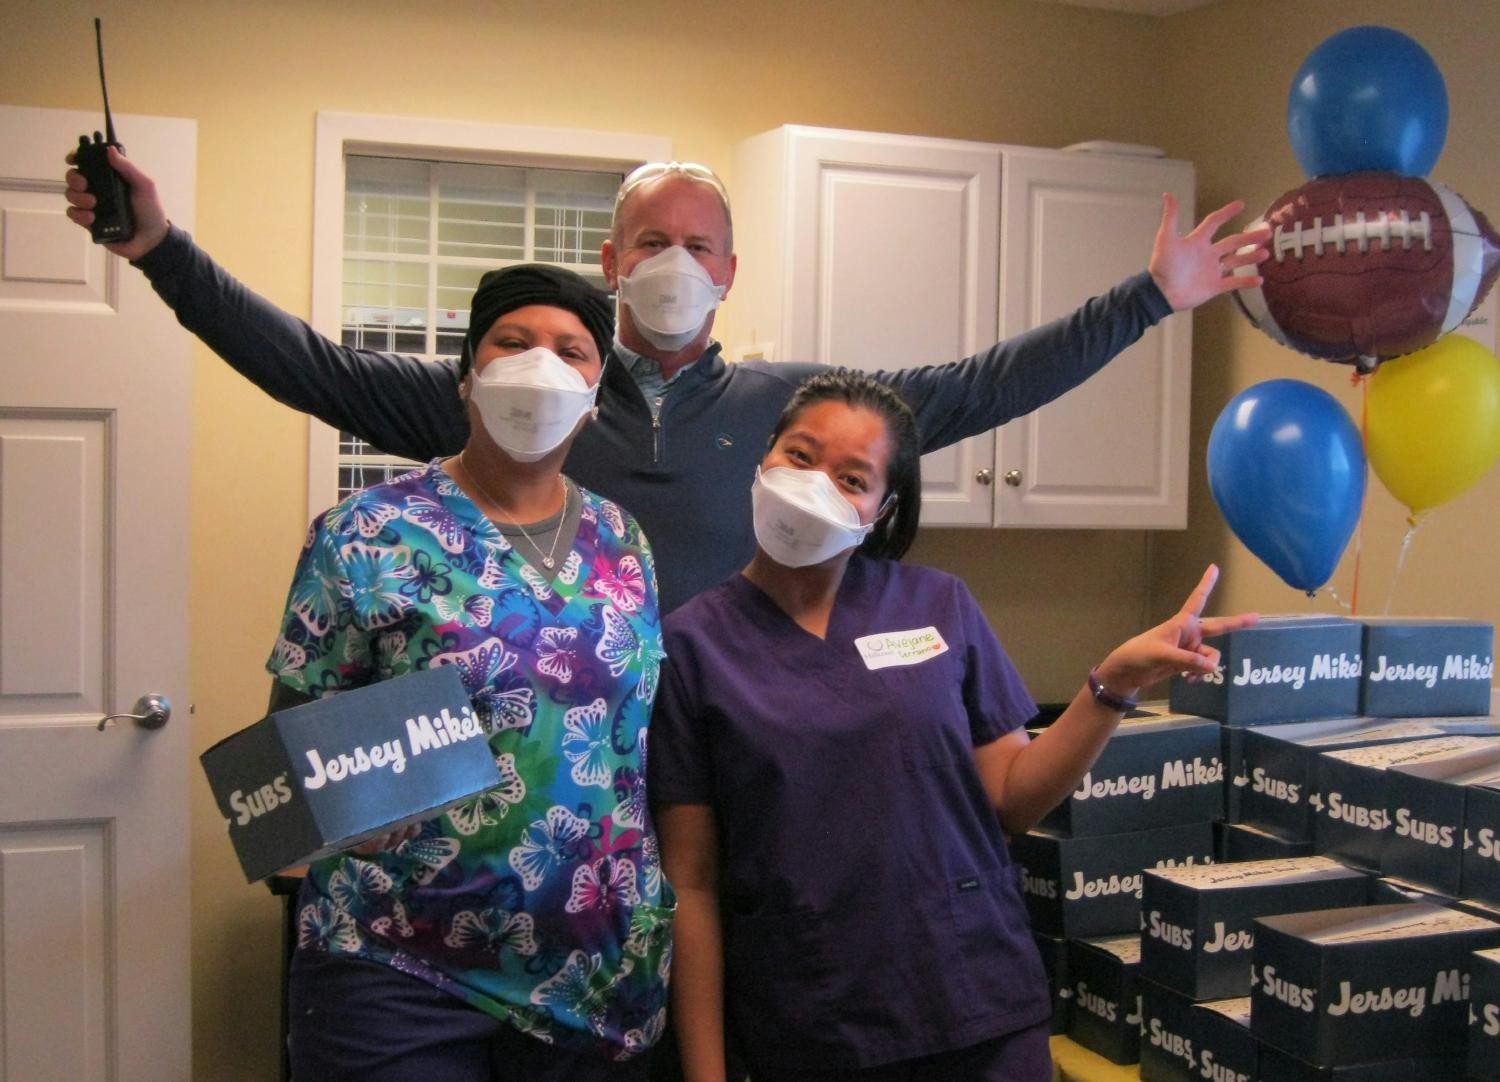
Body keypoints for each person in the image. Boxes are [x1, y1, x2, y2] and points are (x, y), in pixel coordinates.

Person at [64, 151, 1272, 614]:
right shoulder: (515, 390)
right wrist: (158, 251)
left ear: (732, 269)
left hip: (725, 766)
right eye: (651, 241)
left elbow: (974, 388)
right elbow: (311, 368)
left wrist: (1150, 299)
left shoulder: (795, 412)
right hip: (544, 775)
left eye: (700, 245)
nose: (675, 263)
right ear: (611, 259)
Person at [647, 371, 1258, 1081]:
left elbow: (1011, 800)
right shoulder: (692, 645)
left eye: (852, 477)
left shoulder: (939, 604)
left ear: (882, 507)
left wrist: (1111, 686)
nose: (816, 486)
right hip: (810, 1020)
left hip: (976, 1003)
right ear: (764, 459)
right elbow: (690, 883)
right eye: (801, 455)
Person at [268, 263, 671, 1080]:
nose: (541, 366)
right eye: (512, 343)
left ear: (597, 393)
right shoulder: (368, 532)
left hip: (593, 972)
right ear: (467, 377)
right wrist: (332, 805)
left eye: (572, 351)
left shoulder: (622, 540)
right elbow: (285, 767)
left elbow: (629, 749)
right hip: (397, 965)